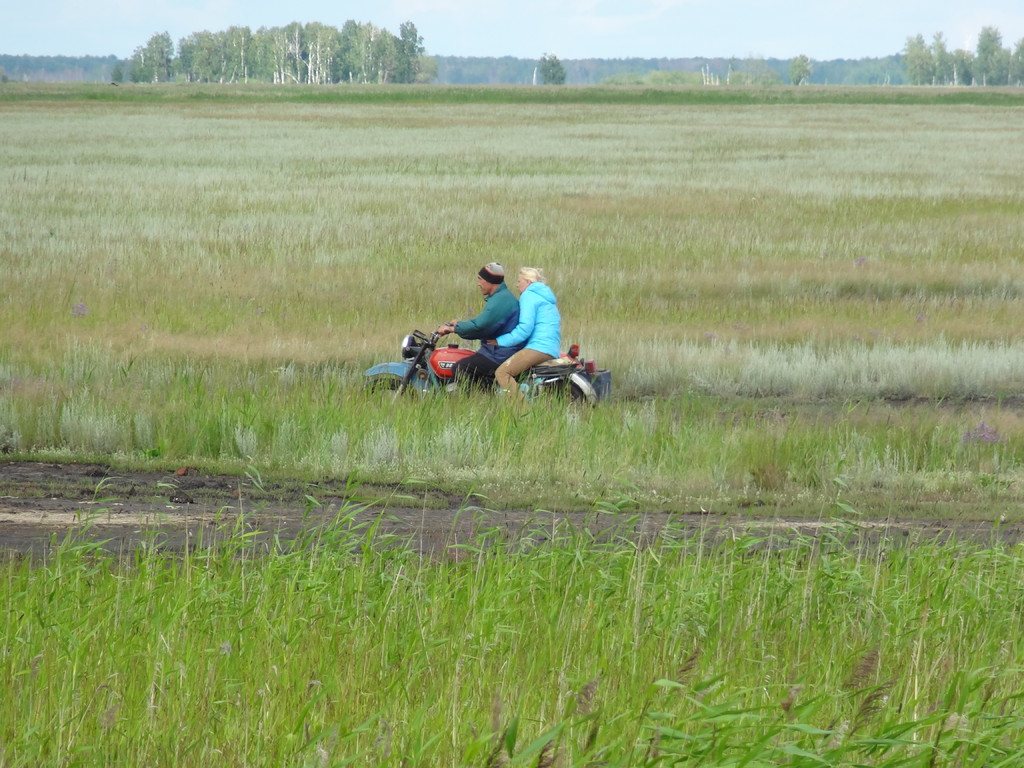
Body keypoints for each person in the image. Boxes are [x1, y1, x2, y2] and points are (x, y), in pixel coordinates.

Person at [436, 263, 525, 389]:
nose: (478, 283)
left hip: (499, 354)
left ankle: (477, 400)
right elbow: (483, 322)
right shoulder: (501, 297)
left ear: (491, 281)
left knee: (460, 368)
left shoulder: (500, 301)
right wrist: (459, 324)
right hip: (499, 351)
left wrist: (453, 329)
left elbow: (480, 327)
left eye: (480, 279)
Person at [493, 267, 561, 401]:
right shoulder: (546, 298)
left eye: (519, 281)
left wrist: (500, 341)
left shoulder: (529, 295)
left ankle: (522, 411)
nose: (517, 285)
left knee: (502, 372)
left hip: (539, 347)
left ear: (528, 282)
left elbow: (525, 329)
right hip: (551, 347)